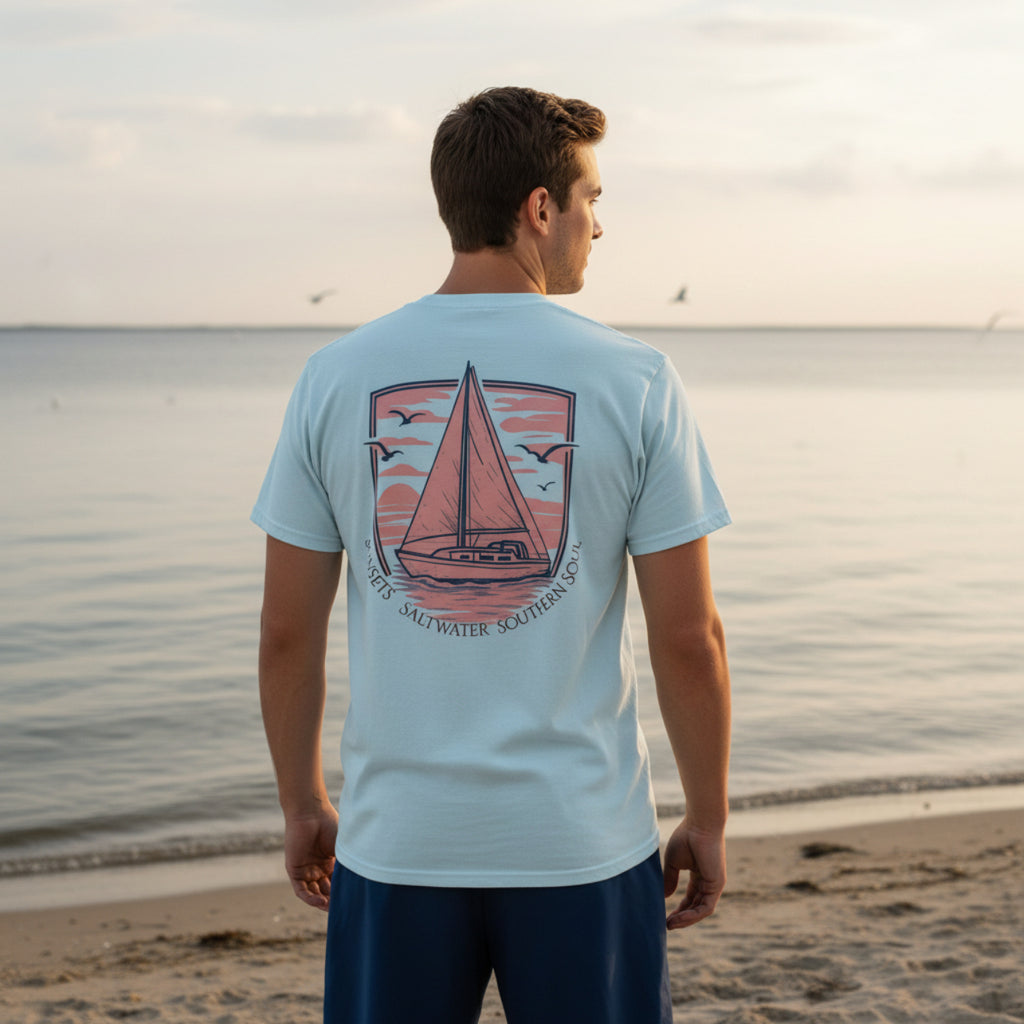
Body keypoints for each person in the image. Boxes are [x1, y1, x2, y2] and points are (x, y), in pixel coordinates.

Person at [253, 86, 732, 1024]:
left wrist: (303, 802)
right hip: (582, 843)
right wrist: (706, 817)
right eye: (592, 199)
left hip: (397, 848)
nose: (600, 225)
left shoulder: (333, 377)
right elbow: (690, 638)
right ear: (540, 209)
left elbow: (285, 635)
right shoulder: (636, 379)